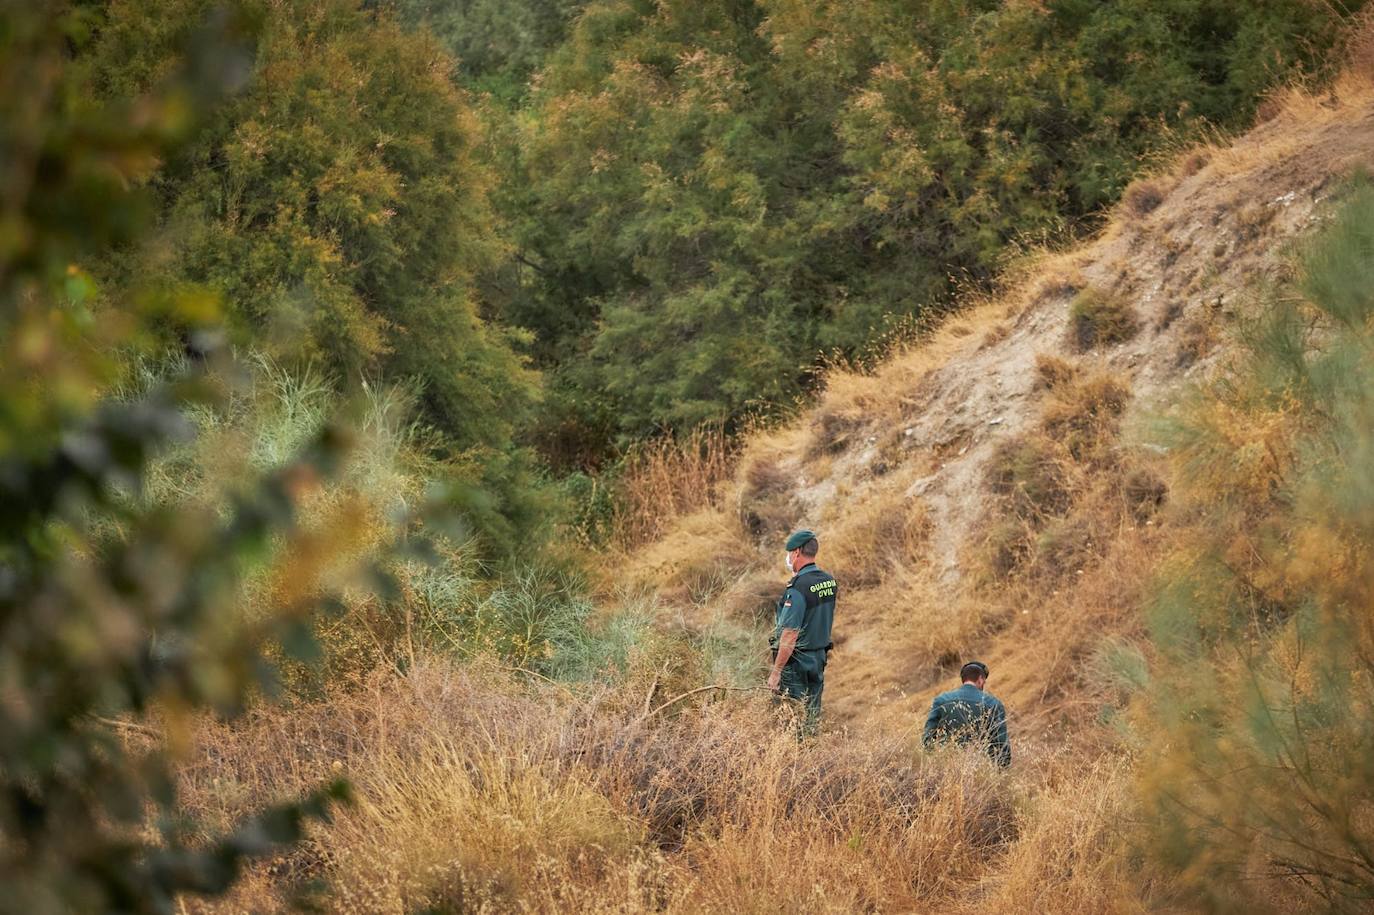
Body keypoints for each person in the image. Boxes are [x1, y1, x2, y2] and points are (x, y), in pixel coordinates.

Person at [767, 529, 837, 736]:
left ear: (797, 552)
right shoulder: (829, 581)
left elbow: (789, 635)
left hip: (797, 664)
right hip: (818, 659)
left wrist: (776, 671)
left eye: (789, 553)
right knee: (812, 718)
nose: (788, 558)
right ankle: (811, 756)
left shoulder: (797, 589)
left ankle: (794, 763)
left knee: (791, 720)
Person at [922, 661, 1011, 768]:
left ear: (963, 679)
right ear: (980, 679)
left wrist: (932, 766)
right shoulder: (993, 704)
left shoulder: (941, 700)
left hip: (945, 768)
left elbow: (927, 738)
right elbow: (1001, 746)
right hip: (979, 770)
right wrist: (1000, 772)